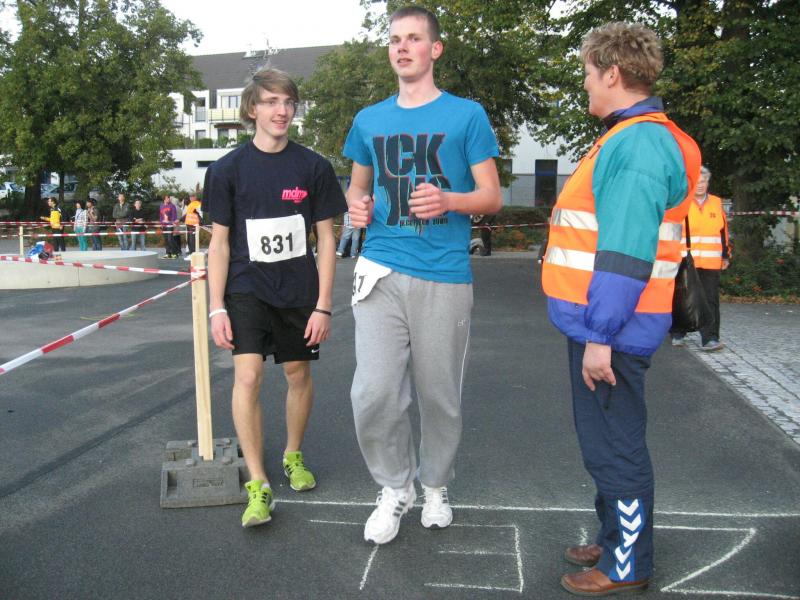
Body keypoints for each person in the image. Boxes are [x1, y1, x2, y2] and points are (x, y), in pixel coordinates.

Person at [541, 22, 701, 595]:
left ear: (612, 73)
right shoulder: (632, 137)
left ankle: (626, 563)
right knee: (605, 443)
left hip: (613, 327)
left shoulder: (636, 146)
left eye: (588, 72)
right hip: (605, 321)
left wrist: (600, 336)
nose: (585, 83)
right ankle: (614, 539)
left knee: (616, 445)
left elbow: (625, 253)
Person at [343, 5, 502, 545]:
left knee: (439, 395)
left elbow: (491, 196)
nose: (402, 47)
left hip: (444, 274)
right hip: (380, 269)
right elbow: (357, 187)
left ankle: (435, 484)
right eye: (395, 39)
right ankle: (395, 486)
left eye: (413, 38)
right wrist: (357, 207)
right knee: (373, 392)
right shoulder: (369, 120)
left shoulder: (466, 115)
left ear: (435, 49)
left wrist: (450, 200)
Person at [207, 67, 346, 528]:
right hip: (246, 288)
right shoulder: (227, 170)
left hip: (298, 291)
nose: (281, 110)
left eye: (287, 102)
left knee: (296, 373)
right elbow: (219, 244)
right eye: (270, 102)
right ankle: (258, 483)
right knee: (247, 377)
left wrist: (324, 304)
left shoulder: (313, 167)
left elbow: (327, 239)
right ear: (252, 109)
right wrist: (216, 307)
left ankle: (292, 454)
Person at [670, 166, 730, 351]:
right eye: (696, 182)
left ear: (708, 183)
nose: (700, 185)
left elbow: (723, 232)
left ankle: (710, 338)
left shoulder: (716, 203)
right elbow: (672, 230)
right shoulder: (682, 203)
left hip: (711, 262)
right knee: (681, 298)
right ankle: (678, 333)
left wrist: (725, 254)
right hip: (685, 260)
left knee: (710, 300)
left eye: (703, 181)